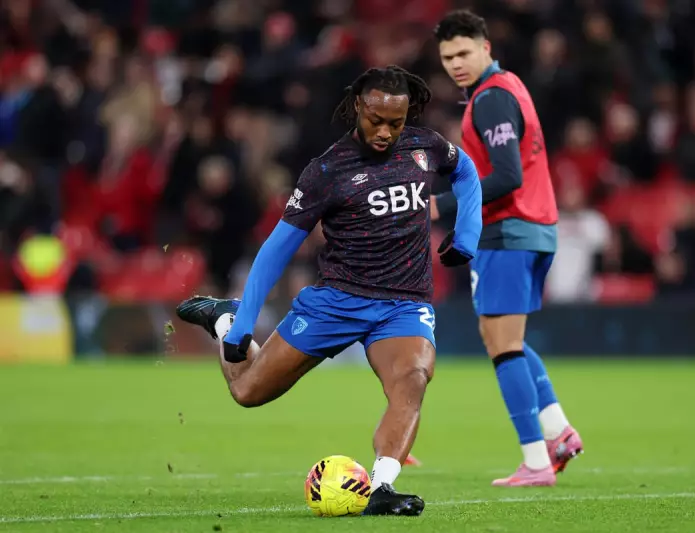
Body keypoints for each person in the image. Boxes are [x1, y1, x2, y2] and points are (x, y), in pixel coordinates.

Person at [175, 66, 482, 515]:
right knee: (248, 391)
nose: (385, 132)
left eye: (396, 123)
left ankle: (382, 487)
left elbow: (466, 170)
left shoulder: (425, 146)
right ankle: (224, 316)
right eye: (376, 120)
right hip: (337, 301)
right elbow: (275, 251)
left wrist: (468, 232)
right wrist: (242, 327)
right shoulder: (326, 171)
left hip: (403, 304)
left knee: (412, 379)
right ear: (358, 106)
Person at [430, 10, 583, 487]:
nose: (456, 64)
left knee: (504, 345)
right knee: (499, 335)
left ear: (485, 48)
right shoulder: (507, 86)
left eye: (464, 53)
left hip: (510, 230)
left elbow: (507, 175)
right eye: (447, 57)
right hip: (532, 227)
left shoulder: (491, 99)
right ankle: (558, 432)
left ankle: (536, 461)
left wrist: (443, 205)